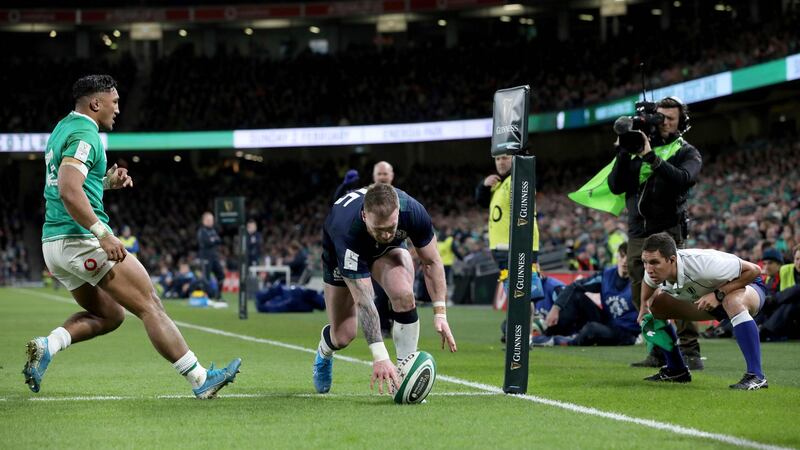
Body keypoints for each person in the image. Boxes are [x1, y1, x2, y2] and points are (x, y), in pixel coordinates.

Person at [25, 74, 240, 399]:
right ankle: (200, 379)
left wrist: (105, 183)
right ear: (95, 103)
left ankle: (48, 345)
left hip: (52, 243)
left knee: (110, 314)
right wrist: (103, 233)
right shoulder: (87, 133)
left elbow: (65, 184)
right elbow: (69, 191)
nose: (118, 109)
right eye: (114, 102)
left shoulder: (62, 129)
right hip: (80, 239)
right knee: (150, 304)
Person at [312, 183, 457, 394]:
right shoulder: (346, 231)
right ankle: (324, 353)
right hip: (343, 251)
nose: (387, 234)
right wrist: (380, 357)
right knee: (343, 336)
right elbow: (365, 301)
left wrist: (440, 313)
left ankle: (403, 377)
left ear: (398, 212)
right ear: (364, 216)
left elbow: (432, 261)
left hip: (385, 253)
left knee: (404, 294)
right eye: (379, 229)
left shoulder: (413, 211)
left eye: (391, 228)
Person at [607, 96, 704, 370]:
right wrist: (626, 149)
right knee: (643, 293)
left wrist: (651, 157)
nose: (664, 123)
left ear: (681, 123)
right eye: (660, 117)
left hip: (669, 227)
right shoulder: (637, 146)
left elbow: (683, 179)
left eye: (671, 119)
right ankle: (657, 351)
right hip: (638, 229)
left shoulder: (687, 151)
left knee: (680, 287)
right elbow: (616, 186)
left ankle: (691, 351)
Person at [637, 233, 767, 390]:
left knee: (731, 301)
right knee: (657, 307)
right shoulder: (654, 269)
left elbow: (754, 270)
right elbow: (647, 283)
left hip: (748, 287)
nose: (648, 268)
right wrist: (644, 306)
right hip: (707, 299)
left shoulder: (704, 264)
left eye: (654, 263)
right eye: (645, 262)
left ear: (672, 260)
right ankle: (676, 370)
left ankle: (757, 376)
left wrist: (718, 294)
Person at [535, 243, 638, 346]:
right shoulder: (606, 276)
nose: (625, 261)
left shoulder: (639, 282)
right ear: (617, 257)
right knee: (577, 296)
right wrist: (555, 308)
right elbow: (574, 286)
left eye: (628, 257)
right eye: (622, 256)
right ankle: (547, 335)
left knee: (591, 329)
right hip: (607, 322)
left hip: (626, 332)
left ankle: (566, 341)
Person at [197, 211, 225, 300]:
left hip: (214, 257)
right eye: (208, 220)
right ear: (204, 221)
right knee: (206, 278)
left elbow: (218, 240)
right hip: (206, 258)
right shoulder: (201, 231)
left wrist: (213, 240)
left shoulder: (213, 230)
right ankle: (206, 297)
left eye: (211, 220)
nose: (210, 221)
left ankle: (218, 296)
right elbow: (207, 242)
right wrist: (213, 240)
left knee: (221, 275)